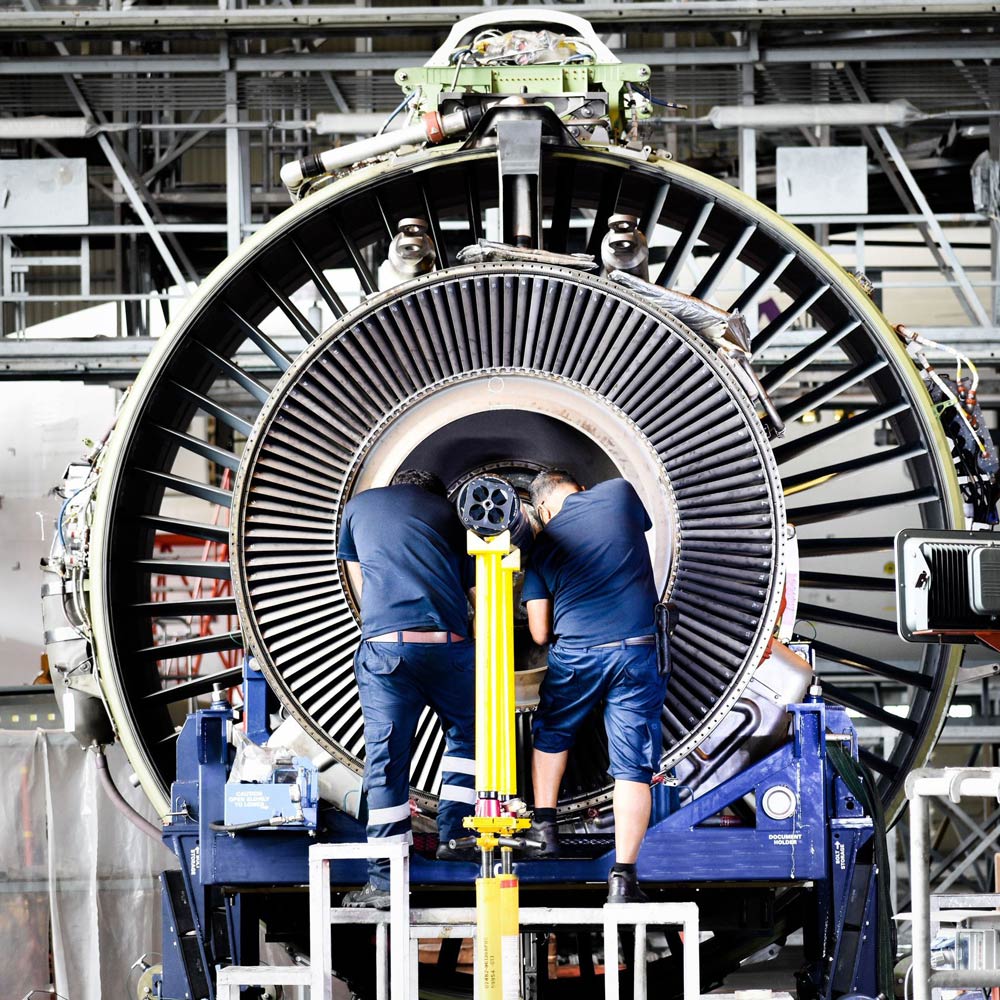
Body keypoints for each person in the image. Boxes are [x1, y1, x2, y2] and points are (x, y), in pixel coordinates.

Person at [522, 470, 667, 904]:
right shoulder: (620, 493)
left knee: (552, 731)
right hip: (636, 651)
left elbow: (541, 633)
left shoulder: (542, 546)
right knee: (631, 767)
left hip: (579, 654)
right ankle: (623, 879)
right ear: (579, 488)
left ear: (542, 510)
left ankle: (545, 829)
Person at [337, 469, 477, 909]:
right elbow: (475, 592)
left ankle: (384, 879)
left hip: (387, 652)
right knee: (469, 737)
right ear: (432, 491)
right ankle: (455, 838)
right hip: (448, 647)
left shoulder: (358, 507)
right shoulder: (451, 515)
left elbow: (358, 577)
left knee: (387, 760)